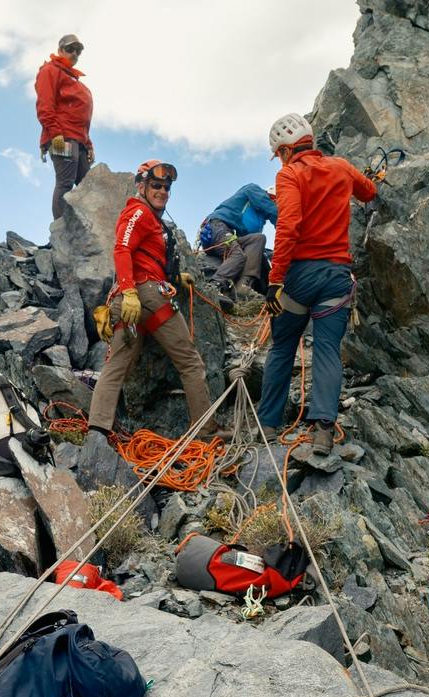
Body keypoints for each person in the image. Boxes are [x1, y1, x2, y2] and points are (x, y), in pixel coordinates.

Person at [258, 113, 375, 460]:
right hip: (336, 277)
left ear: (283, 151)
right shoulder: (340, 167)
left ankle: (267, 422)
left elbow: (289, 225)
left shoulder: (289, 174)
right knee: (326, 350)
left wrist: (275, 280)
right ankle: (323, 432)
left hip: (299, 276)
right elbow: (368, 192)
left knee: (282, 347)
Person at [87, 160, 218, 441]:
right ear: (141, 186)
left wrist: (175, 278)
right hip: (146, 296)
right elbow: (122, 249)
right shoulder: (137, 212)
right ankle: (205, 432)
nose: (162, 191)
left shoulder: (150, 219)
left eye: (166, 187)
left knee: (117, 365)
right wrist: (131, 290)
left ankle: (97, 432)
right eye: (156, 185)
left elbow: (144, 257)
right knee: (190, 362)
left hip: (133, 302)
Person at [35, 34, 93, 221]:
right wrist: (55, 135)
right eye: (70, 49)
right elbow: (45, 105)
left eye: (78, 50)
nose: (75, 53)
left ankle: (87, 233)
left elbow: (81, 118)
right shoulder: (50, 70)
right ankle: (61, 232)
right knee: (65, 182)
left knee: (88, 187)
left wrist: (88, 143)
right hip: (62, 138)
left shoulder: (75, 80)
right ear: (60, 50)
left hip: (79, 141)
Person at [199, 183, 277, 300]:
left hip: (231, 235)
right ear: (271, 196)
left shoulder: (259, 219)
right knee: (237, 255)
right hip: (218, 226)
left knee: (259, 239)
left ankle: (243, 285)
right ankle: (215, 285)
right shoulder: (253, 190)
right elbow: (275, 212)